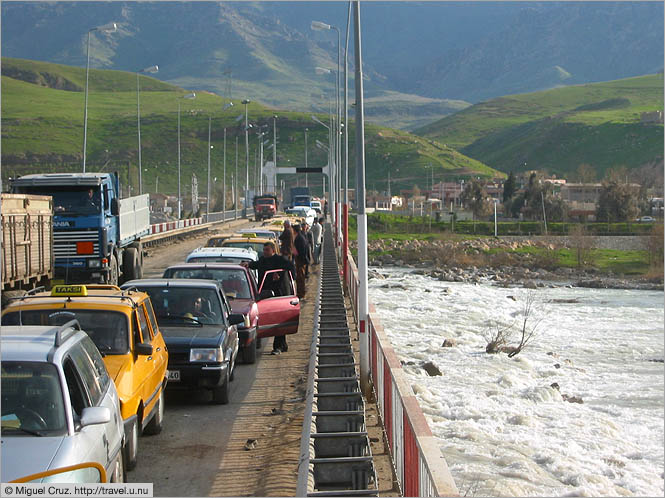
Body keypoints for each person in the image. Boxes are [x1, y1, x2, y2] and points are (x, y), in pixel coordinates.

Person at [242, 242, 295, 355]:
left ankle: (278, 346)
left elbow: (291, 267)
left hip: (279, 295)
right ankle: (283, 345)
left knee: (278, 322)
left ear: (273, 251)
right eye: (264, 250)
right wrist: (248, 264)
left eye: (267, 250)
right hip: (265, 295)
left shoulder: (280, 260)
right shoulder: (262, 260)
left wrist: (279, 274)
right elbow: (256, 264)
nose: (265, 252)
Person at [292, 224, 309, 300]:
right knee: (299, 278)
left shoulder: (299, 238)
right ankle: (300, 292)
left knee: (301, 277)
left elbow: (302, 251)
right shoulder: (300, 237)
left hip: (301, 261)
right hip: (300, 260)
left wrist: (298, 257)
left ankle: (301, 293)